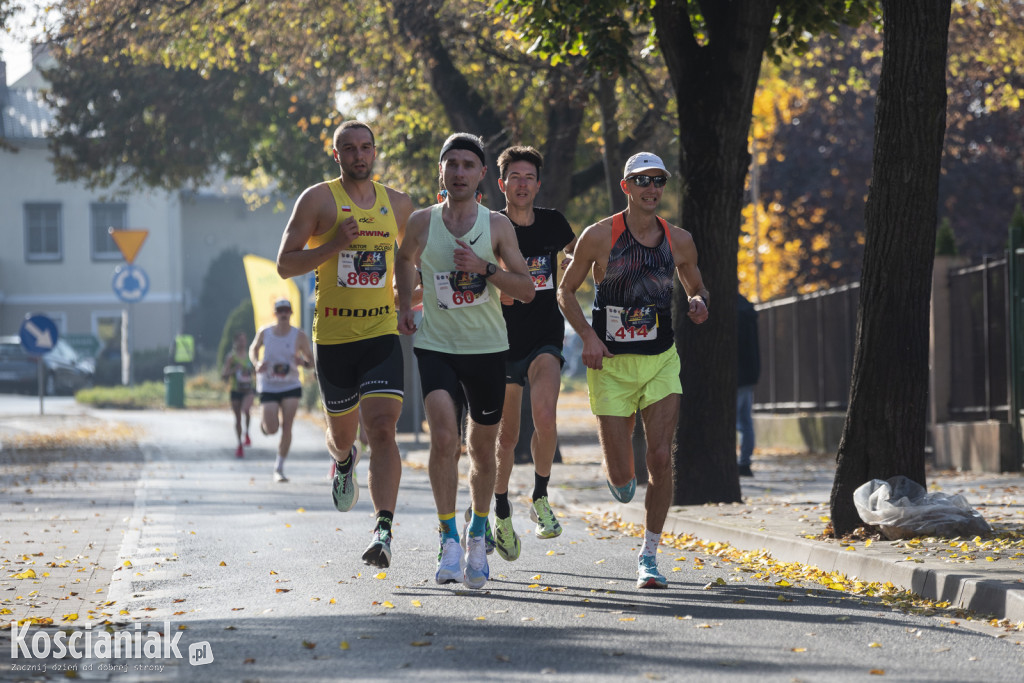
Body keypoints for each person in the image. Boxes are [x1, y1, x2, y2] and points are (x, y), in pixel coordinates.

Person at [557, 151, 709, 590]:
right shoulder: (599, 236)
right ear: (626, 187)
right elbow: (565, 293)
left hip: (661, 360)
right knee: (623, 477)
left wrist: (699, 303)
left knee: (660, 458)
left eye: (658, 180)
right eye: (641, 181)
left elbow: (696, 286)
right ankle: (619, 478)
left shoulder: (678, 240)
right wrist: (587, 336)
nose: (651, 188)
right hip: (610, 364)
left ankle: (649, 555)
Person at [395, 132, 534, 590]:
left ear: (480, 177)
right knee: (444, 439)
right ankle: (447, 536)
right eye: (451, 164)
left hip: (488, 350)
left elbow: (527, 289)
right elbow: (403, 257)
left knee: (482, 449)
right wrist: (402, 307)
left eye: (467, 165)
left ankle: (478, 532)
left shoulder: (496, 226)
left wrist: (485, 270)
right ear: (442, 172)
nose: (458, 172)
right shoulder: (421, 222)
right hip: (436, 347)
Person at [276, 120, 413, 568]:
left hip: (380, 334)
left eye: (366, 147)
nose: (358, 155)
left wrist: (408, 301)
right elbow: (284, 264)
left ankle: (383, 528)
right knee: (343, 437)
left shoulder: (398, 204)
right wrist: (334, 244)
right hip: (333, 339)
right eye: (349, 149)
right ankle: (342, 460)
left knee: (383, 428)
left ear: (375, 152)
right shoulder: (317, 200)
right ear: (336, 155)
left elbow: (410, 261)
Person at [490, 145, 577, 561]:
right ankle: (501, 507)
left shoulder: (554, 223)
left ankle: (541, 497)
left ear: (538, 184)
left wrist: (579, 263)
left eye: (529, 177)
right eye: (515, 177)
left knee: (544, 416)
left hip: (545, 335)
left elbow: (578, 252)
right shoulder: (490, 226)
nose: (522, 184)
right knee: (506, 436)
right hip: (502, 342)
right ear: (501, 183)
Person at [249, 298, 314, 483]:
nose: (284, 314)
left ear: (291, 313)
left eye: (287, 311)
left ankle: (279, 467)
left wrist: (304, 362)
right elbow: (253, 349)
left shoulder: (299, 336)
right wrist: (257, 363)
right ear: (275, 314)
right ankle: (265, 426)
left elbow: (311, 361)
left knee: (287, 426)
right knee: (272, 428)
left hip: (290, 385)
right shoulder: (265, 332)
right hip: (269, 385)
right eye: (280, 311)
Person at [736, 293, 761, 477]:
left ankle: (739, 461)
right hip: (749, 371)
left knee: (734, 420)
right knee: (745, 421)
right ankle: (745, 462)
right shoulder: (747, 309)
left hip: (735, 373)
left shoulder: (732, 310)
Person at [222, 331, 255, 458]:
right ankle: (239, 444)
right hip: (236, 390)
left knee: (246, 410)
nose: (242, 342)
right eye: (239, 340)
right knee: (238, 419)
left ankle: (246, 433)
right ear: (235, 342)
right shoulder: (231, 357)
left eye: (244, 340)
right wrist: (234, 370)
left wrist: (253, 371)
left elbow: (255, 370)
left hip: (248, 390)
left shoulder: (249, 356)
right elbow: (223, 374)